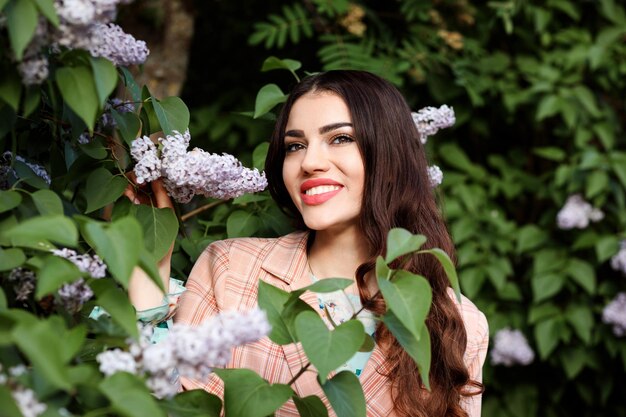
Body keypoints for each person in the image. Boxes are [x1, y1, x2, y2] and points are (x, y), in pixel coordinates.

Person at [127, 70, 489, 417]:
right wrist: (147, 289)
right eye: (295, 145)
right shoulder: (230, 269)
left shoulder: (460, 323)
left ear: (391, 158)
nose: (309, 162)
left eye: (340, 138)